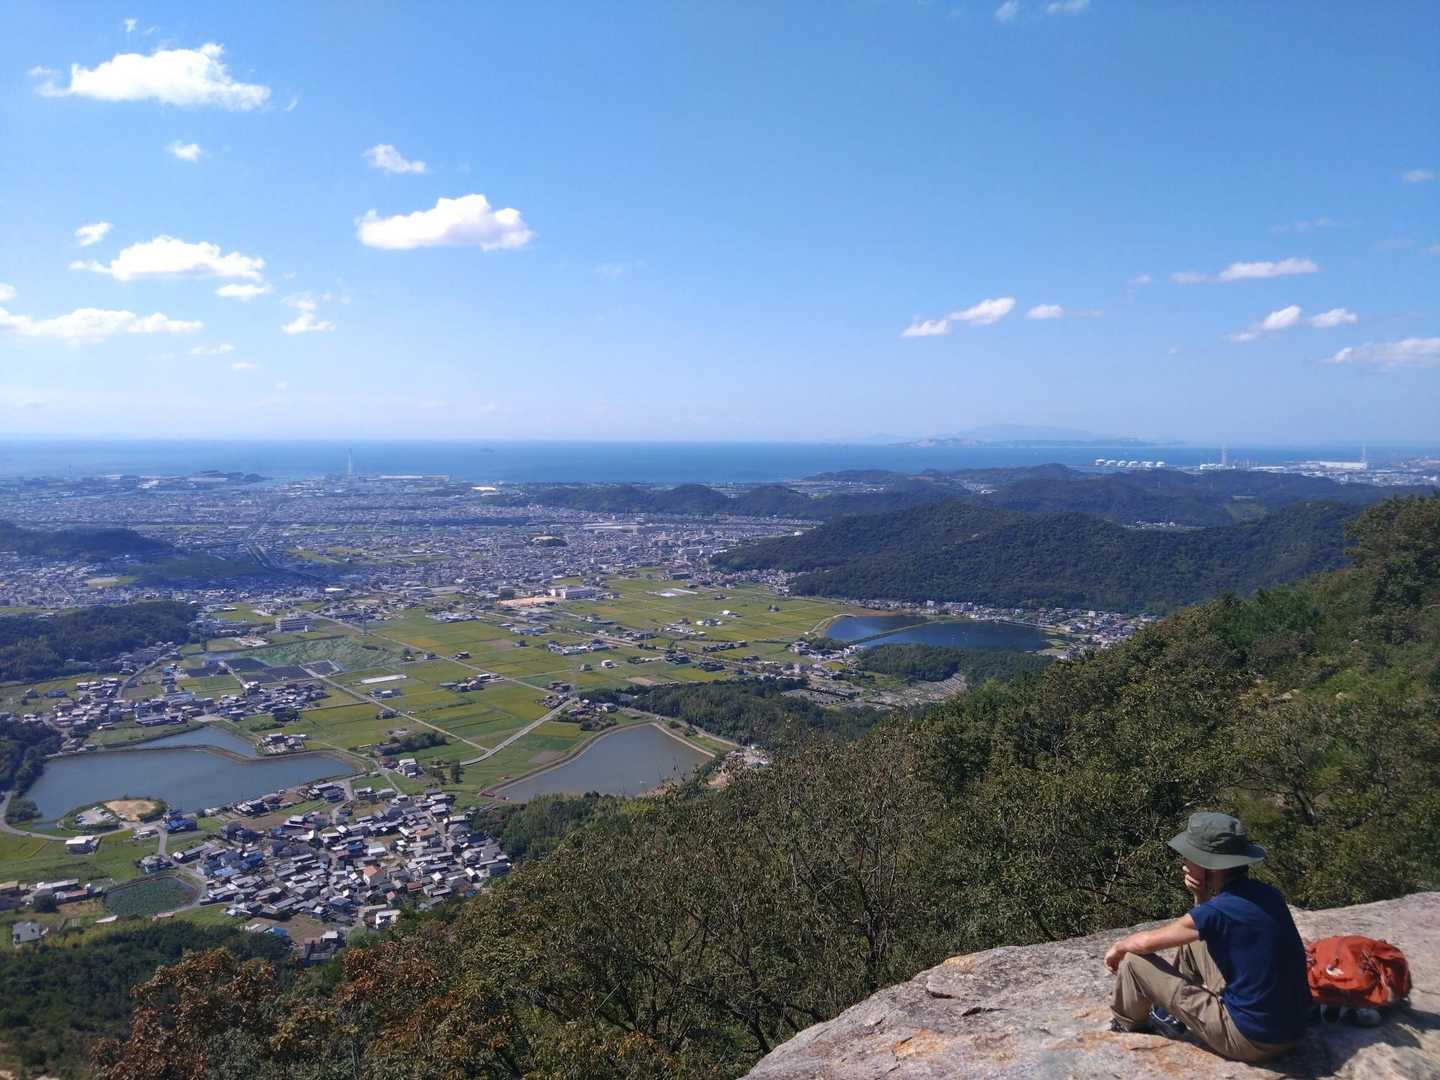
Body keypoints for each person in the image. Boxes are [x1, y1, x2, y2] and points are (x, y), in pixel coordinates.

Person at [1104, 811, 1311, 1063]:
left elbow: (1146, 943)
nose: (1184, 863)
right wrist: (1200, 895)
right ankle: (1171, 1014)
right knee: (1193, 941)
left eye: (1189, 857)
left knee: (1133, 962)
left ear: (1207, 865)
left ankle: (1127, 1023)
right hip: (1294, 1028)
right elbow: (1204, 928)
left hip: (1250, 1040)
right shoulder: (1268, 895)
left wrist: (1118, 947)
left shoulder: (1219, 911)